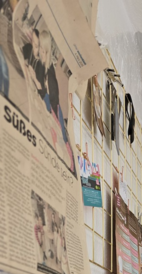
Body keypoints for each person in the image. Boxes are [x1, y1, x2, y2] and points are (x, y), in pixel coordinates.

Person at [38, 30, 74, 170]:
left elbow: (52, 103)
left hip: (55, 114)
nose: (39, 53)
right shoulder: (47, 69)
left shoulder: (50, 74)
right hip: (56, 114)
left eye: (41, 50)